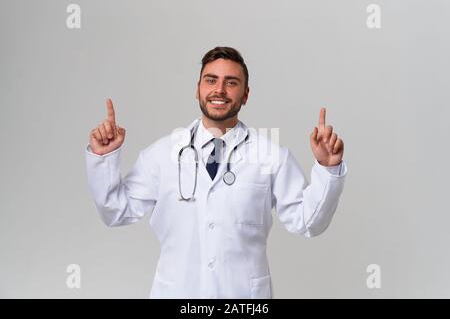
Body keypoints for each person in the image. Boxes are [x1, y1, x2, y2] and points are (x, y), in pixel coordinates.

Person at [85, 46, 348, 299]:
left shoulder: (271, 156)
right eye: (211, 80)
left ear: (245, 94)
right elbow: (116, 212)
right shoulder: (161, 154)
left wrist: (328, 168)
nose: (219, 90)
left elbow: (309, 222)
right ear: (197, 89)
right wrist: (102, 157)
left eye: (231, 82)